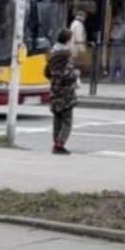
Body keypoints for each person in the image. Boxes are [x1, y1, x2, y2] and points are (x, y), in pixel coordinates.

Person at [45, 27, 79, 155]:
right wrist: (76, 74)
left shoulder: (52, 54)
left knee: (57, 120)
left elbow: (46, 72)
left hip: (55, 90)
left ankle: (56, 144)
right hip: (66, 93)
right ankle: (59, 144)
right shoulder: (66, 56)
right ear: (68, 40)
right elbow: (68, 74)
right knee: (67, 121)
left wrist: (55, 79)